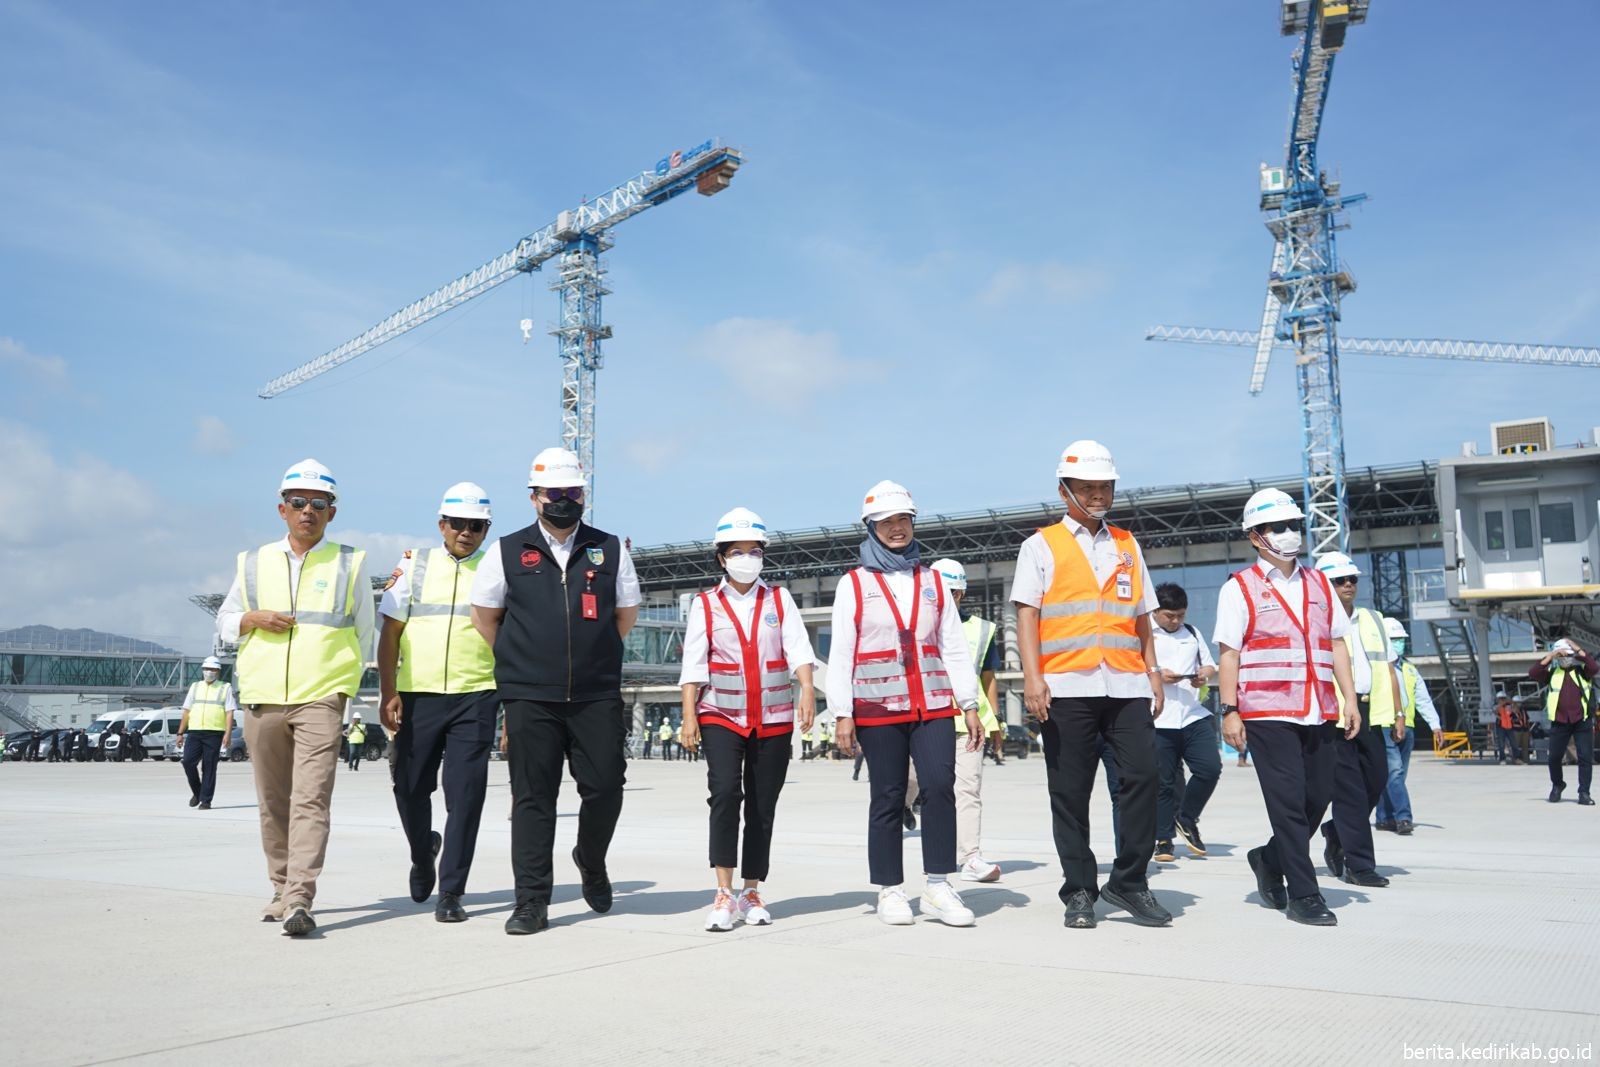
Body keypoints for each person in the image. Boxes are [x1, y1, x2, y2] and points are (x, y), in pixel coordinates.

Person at [470, 447, 641, 936]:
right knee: (532, 797)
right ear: (534, 497)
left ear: (583, 495)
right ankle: (531, 901)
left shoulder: (609, 548)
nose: (564, 500)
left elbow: (623, 614)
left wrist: (594, 653)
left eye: (572, 492)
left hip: (595, 693)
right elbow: (485, 616)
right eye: (554, 493)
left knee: (606, 787)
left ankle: (590, 859)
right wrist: (521, 661)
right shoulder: (507, 551)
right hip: (530, 695)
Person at [1012, 441, 1172, 929]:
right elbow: (1027, 614)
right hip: (1066, 686)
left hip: (1125, 684)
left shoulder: (1127, 543)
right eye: (1088, 487)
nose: (1099, 495)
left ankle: (1129, 881)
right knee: (1071, 791)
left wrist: (1153, 671)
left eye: (1105, 486)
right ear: (1065, 491)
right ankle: (1079, 890)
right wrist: (1034, 679)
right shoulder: (1040, 545)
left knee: (1146, 777)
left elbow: (1142, 615)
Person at [217, 458, 375, 936]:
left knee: (311, 798)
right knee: (273, 801)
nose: (309, 511)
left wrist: (346, 688)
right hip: (262, 696)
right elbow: (224, 622)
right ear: (282, 509)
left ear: (332, 512)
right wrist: (250, 620)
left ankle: (299, 897)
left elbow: (365, 634)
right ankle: (280, 885)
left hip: (321, 698)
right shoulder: (252, 563)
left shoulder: (350, 562)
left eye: (319, 504)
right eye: (299, 503)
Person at [828, 481, 983, 928]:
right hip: (877, 711)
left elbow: (952, 645)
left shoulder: (933, 581)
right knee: (889, 795)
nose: (897, 529)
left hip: (933, 705)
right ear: (871, 527)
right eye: (887, 522)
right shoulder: (854, 584)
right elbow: (841, 652)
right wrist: (842, 712)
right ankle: (891, 890)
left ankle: (938, 885)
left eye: (904, 520)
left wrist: (968, 702)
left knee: (939, 786)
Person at [1215, 488, 1360, 926]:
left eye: (1293, 525)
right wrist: (1229, 710)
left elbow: (1336, 642)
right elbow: (1229, 654)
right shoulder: (1239, 588)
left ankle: (1268, 858)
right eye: (1278, 527)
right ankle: (1304, 894)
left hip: (1318, 707)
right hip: (1267, 711)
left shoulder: (1318, 582)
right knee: (1287, 804)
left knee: (1317, 798)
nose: (1289, 534)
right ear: (1256, 536)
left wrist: (1350, 699)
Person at [678, 508, 817, 931]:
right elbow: (694, 664)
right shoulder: (706, 604)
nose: (746, 558)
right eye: (736, 551)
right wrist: (688, 716)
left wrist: (807, 689)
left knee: (762, 806)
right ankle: (723, 893)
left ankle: (751, 889)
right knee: (724, 795)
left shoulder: (780, 599)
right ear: (721, 558)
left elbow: (798, 649)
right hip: (720, 713)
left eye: (753, 551)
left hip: (773, 718)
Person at [378, 482, 500, 923]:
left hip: (477, 693)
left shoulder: (497, 568)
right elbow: (390, 632)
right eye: (458, 524)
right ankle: (421, 850)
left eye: (477, 526)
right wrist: (388, 691)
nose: (466, 532)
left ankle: (452, 891)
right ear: (441, 524)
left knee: (465, 796)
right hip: (418, 695)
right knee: (409, 787)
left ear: (486, 528)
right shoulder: (414, 564)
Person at [1313, 551, 1397, 889]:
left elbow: (1388, 667)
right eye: (1339, 580)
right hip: (1334, 716)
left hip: (1371, 713)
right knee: (1350, 792)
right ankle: (1359, 866)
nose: (1348, 585)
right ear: (1323, 585)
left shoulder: (1374, 619)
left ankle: (1336, 831)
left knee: (1376, 781)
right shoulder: (1315, 622)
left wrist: (1400, 712)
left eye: (1352, 579)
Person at [930, 558, 1004, 883]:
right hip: (926, 719)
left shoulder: (983, 629)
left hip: (971, 720)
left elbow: (989, 677)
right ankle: (905, 802)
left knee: (968, 789)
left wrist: (996, 720)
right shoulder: (919, 627)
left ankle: (970, 857)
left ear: (961, 594)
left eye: (954, 592)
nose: (948, 599)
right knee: (913, 779)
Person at [1150, 582, 1221, 863]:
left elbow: (1210, 664)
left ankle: (1187, 817)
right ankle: (1163, 839)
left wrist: (1204, 673)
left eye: (1180, 614)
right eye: (1170, 615)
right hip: (1159, 717)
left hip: (1192, 714)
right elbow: (1132, 667)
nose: (1176, 620)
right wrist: (1156, 674)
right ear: (1156, 611)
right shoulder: (1142, 633)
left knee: (1209, 769)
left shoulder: (1192, 633)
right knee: (1164, 783)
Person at [1372, 617, 1440, 835]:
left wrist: (1435, 726)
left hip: (1407, 727)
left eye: (1401, 639)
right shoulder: (1376, 668)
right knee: (1394, 773)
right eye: (1394, 639)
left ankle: (1383, 818)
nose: (1399, 643)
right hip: (1384, 725)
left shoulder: (1410, 669)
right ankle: (1403, 817)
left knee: (1395, 776)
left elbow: (1423, 699)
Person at [1530, 638, 1596, 805]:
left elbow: (1594, 667)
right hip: (1560, 721)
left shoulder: (1582, 672)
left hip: (1582, 720)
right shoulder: (1552, 674)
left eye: (1567, 655)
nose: (1565, 658)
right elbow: (1534, 673)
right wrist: (1551, 655)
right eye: (1562, 655)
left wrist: (1577, 649)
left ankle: (1584, 793)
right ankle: (1558, 785)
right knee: (1554, 758)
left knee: (1585, 757)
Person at [178, 656, 238, 810]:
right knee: (187, 762)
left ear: (218, 671)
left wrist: (228, 734)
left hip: (214, 732)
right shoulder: (195, 686)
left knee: (209, 767)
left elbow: (230, 712)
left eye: (212, 669)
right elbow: (186, 710)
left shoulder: (225, 687)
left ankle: (206, 800)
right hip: (195, 731)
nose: (208, 672)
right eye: (206, 669)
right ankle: (198, 792)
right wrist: (180, 732)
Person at [1493, 691, 1528, 765]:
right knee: (1501, 744)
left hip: (1509, 726)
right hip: (1500, 726)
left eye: (1503, 698)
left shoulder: (1509, 705)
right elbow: (1495, 711)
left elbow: (1514, 711)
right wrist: (1501, 704)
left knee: (1514, 743)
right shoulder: (1496, 706)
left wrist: (1512, 704)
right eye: (1501, 698)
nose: (1502, 700)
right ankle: (1502, 759)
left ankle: (1517, 758)